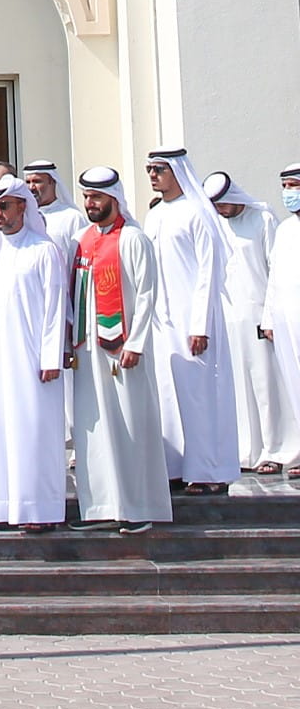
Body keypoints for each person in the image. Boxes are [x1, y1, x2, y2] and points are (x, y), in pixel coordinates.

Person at [68, 169, 172, 532]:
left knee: (130, 426)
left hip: (122, 349)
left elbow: (146, 295)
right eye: (86, 197)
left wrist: (136, 343)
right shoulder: (82, 239)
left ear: (114, 198)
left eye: (97, 197)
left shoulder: (133, 239)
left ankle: (138, 508)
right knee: (93, 430)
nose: (90, 204)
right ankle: (101, 508)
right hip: (87, 351)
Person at [0, 178, 69, 533]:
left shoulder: (43, 249)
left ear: (23, 206)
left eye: (4, 206)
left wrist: (51, 356)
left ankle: (39, 510)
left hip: (33, 361)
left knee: (33, 431)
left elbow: (56, 308)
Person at [143, 148, 238, 495]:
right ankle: (175, 466)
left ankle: (208, 470)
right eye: (150, 169)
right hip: (161, 322)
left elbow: (207, 274)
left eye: (160, 170)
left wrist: (200, 324)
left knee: (200, 395)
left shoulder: (197, 213)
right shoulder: (154, 216)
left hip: (193, 321)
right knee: (167, 394)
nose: (153, 176)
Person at [206, 172, 300, 475]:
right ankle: (248, 451)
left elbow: (275, 270)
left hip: (261, 318)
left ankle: (276, 449)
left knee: (267, 387)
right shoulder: (217, 225)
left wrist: (269, 315)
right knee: (240, 390)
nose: (221, 209)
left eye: (223, 203)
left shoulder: (264, 220)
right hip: (231, 319)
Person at [268, 162, 300, 477]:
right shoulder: (284, 229)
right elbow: (274, 277)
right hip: (286, 317)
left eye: (295, 186)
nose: (289, 193)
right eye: (286, 187)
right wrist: (269, 318)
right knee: (294, 384)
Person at [22, 159, 89, 254]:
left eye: (37, 181)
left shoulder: (72, 217)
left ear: (52, 182)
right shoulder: (22, 217)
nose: (31, 187)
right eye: (28, 182)